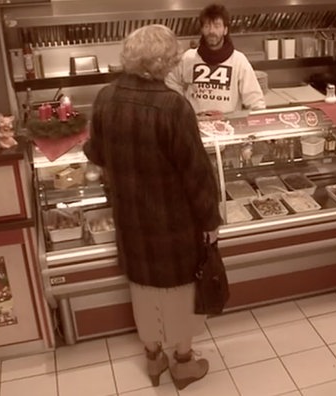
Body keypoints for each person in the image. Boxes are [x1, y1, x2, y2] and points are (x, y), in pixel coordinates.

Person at [83, 24, 222, 391]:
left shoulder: (105, 98)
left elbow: (95, 152)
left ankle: (153, 358)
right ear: (166, 61)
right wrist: (209, 219)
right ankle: (182, 363)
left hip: (130, 217)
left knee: (142, 289)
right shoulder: (173, 106)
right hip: (172, 222)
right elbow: (197, 173)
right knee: (179, 292)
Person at [165, 3, 265, 115]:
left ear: (225, 30)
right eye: (207, 26)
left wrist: (259, 119)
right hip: (194, 125)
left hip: (228, 126)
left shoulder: (238, 60)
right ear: (202, 29)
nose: (212, 31)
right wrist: (182, 107)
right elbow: (171, 83)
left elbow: (254, 99)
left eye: (217, 26)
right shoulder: (188, 58)